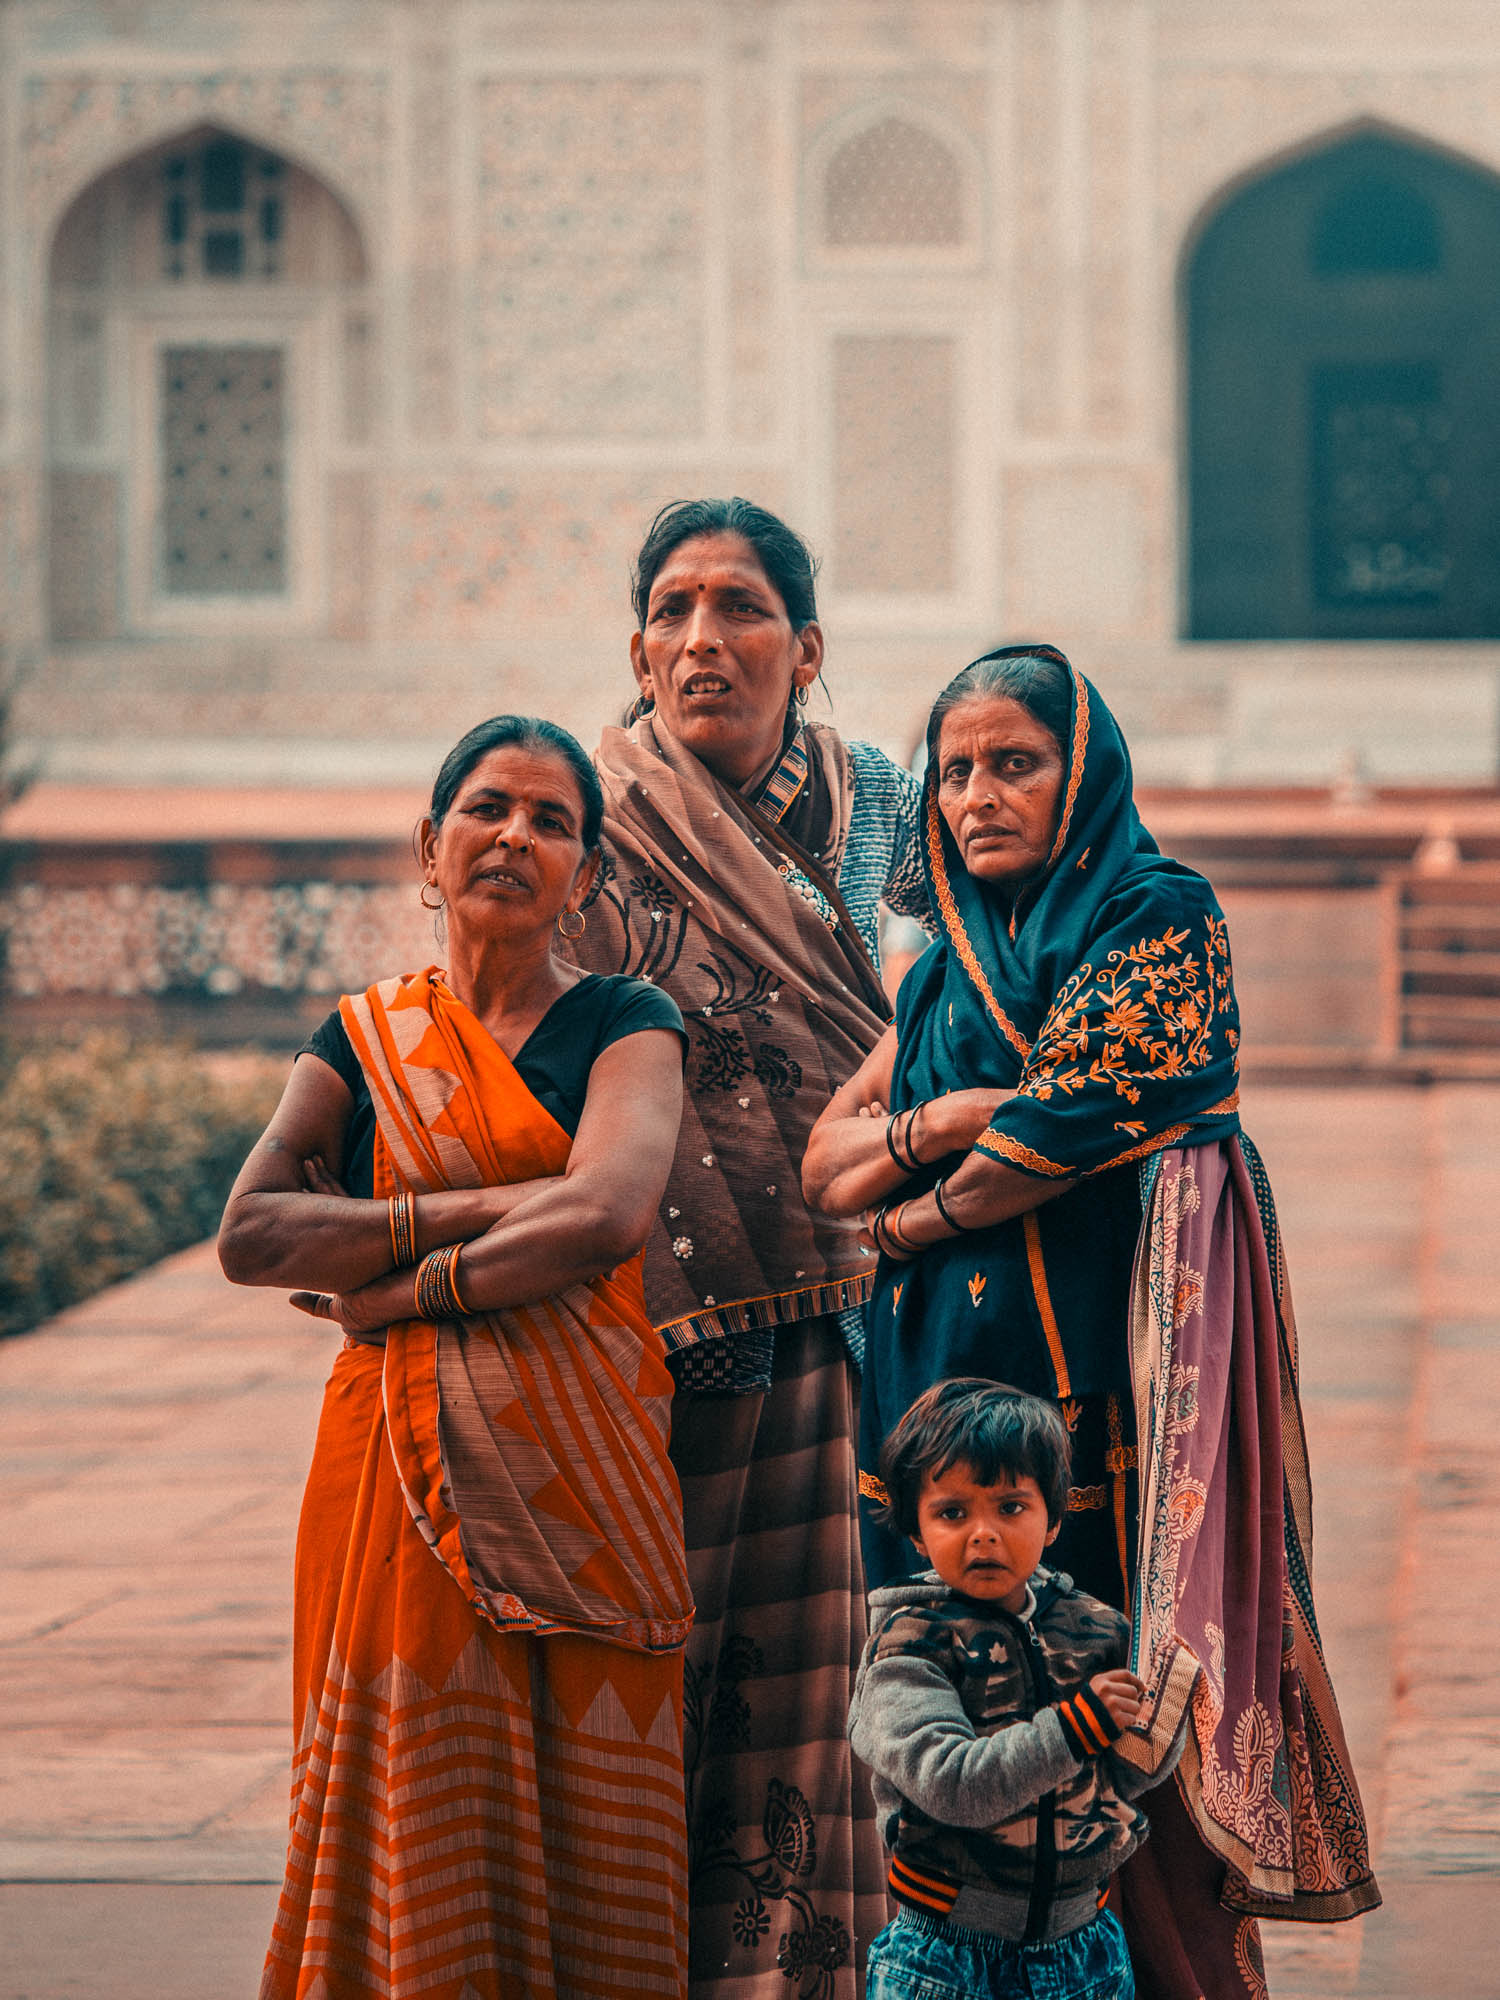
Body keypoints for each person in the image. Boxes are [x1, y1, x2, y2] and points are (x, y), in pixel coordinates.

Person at [803, 647, 1380, 1999]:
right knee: (947, 1677)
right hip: (932, 1381)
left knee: (1103, 1688)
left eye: (1017, 762)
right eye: (956, 771)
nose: (979, 795)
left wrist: (914, 1200)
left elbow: (1052, 1138)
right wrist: (940, 1126)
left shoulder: (1154, 912)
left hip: (1098, 1398)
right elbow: (828, 1163)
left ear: (1085, 772)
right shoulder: (944, 967)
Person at [218, 715, 694, 2000]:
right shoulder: (362, 1035)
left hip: (585, 1460)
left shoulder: (623, 1018)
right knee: (419, 1770)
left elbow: (606, 1212)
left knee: (597, 1787)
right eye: (488, 808)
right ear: (431, 847)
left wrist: (390, 1287)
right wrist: (473, 1213)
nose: (516, 837)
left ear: (585, 874)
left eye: (553, 821)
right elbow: (252, 1232)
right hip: (396, 1477)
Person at [568, 497, 930, 1997]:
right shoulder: (578, 809)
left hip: (867, 1312)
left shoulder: (886, 800)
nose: (704, 639)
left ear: (808, 644)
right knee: (662, 1671)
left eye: (741, 608)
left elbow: (980, 976)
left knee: (844, 1684)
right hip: (652, 1328)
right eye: (673, 608)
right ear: (639, 644)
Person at [850, 1378, 1185, 2000]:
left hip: (1084, 1945)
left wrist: (1167, 1713)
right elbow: (954, 1787)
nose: (983, 1533)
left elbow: (1124, 1777)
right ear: (916, 1533)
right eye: (952, 1513)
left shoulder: (1095, 1627)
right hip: (947, 1955)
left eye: (1010, 1507)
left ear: (1054, 1518)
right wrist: (1078, 1726)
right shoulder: (907, 1648)